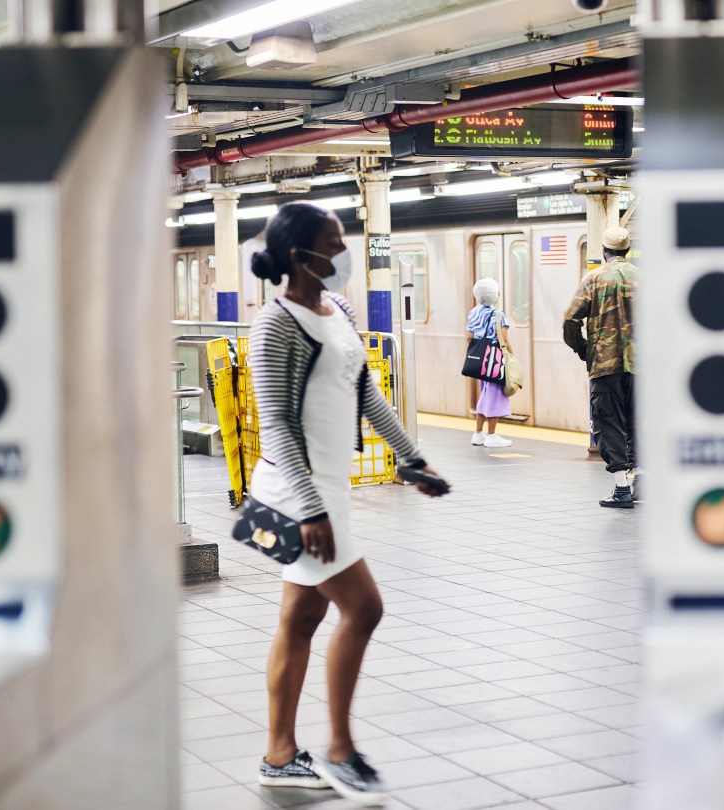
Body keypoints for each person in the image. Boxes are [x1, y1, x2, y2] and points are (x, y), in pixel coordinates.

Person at [247, 202, 444, 804]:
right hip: (294, 495)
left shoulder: (340, 311)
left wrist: (410, 458)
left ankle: (280, 756)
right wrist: (311, 509)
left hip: (328, 490)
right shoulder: (274, 325)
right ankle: (340, 750)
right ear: (299, 254)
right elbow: (276, 424)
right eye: (333, 242)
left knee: (300, 621)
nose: (343, 251)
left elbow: (365, 394)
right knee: (364, 609)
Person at [563, 226, 638, 508]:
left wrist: (584, 350)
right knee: (638, 422)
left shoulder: (594, 279)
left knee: (609, 423)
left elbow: (570, 319)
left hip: (605, 367)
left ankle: (622, 489)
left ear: (605, 251)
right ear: (627, 250)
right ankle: (642, 482)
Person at [466, 277, 514, 448]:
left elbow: (469, 337)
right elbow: (504, 340)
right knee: (493, 397)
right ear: (496, 295)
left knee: (485, 395)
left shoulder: (473, 313)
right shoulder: (498, 315)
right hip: (494, 361)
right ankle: (491, 436)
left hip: (481, 361)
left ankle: (478, 434)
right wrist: (511, 358)